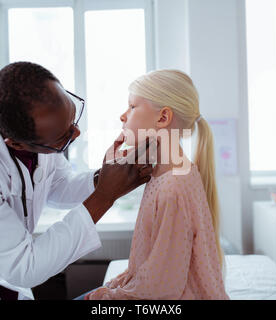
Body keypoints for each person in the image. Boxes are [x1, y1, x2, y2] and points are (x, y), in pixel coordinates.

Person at [0, 62, 153, 299]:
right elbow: (24, 268)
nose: (76, 133)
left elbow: (58, 186)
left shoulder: (31, 119)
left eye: (73, 117)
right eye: (64, 137)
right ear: (16, 144)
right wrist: (104, 196)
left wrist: (105, 178)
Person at [84, 69, 229, 300]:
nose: (123, 116)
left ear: (163, 118)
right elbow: (151, 268)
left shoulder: (173, 187)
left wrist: (103, 298)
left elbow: (161, 288)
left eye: (132, 107)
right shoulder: (165, 175)